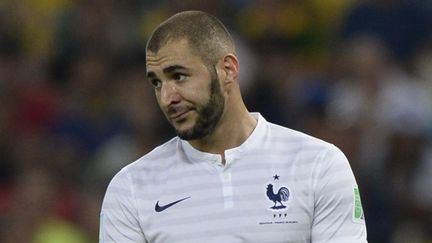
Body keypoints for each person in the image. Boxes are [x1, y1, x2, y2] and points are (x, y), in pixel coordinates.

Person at [99, 10, 367, 243]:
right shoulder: (130, 188)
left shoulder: (319, 164)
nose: (167, 97)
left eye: (178, 76)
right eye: (156, 83)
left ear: (227, 69)